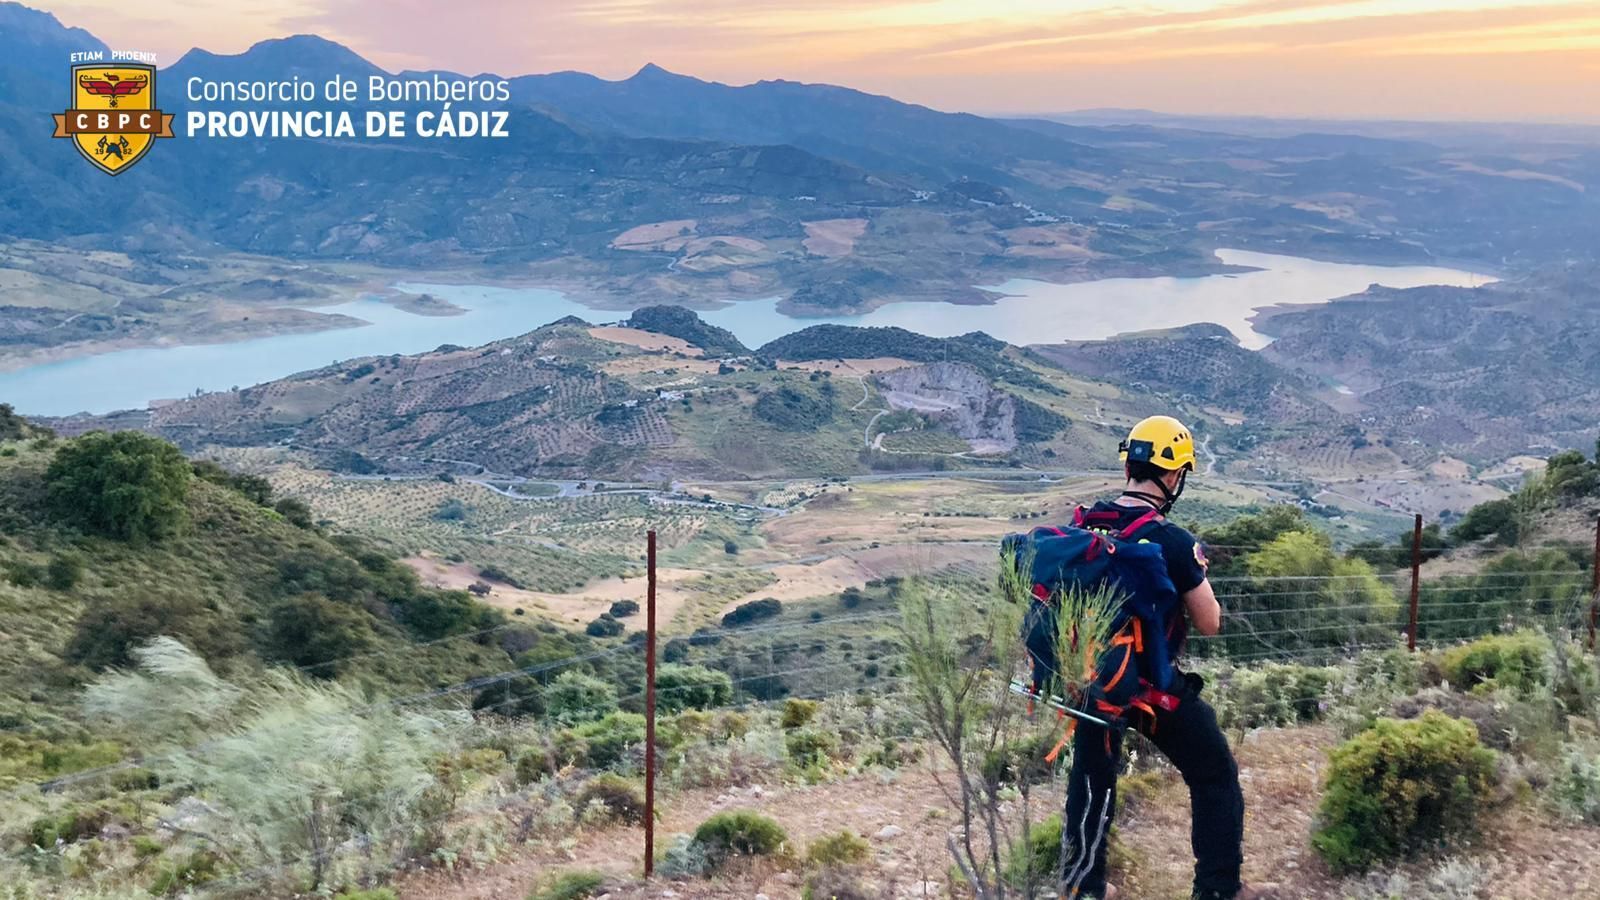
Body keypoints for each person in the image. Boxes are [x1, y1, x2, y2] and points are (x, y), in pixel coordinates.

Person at [1059, 415, 1276, 900]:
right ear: (1173, 474)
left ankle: (1081, 889)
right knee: (1214, 772)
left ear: (1130, 465)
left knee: (1091, 785)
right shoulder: (1174, 542)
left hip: (1090, 686)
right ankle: (1217, 890)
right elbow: (1209, 622)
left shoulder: (1083, 523)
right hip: (1152, 691)